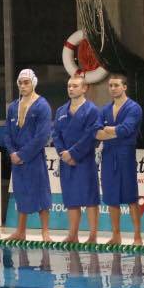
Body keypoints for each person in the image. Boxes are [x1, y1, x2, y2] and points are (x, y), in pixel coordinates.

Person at [3, 69, 53, 241]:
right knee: (20, 193)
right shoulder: (13, 107)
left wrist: (22, 154)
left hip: (33, 157)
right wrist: (12, 153)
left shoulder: (42, 105)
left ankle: (45, 231)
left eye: (26, 82)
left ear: (34, 83)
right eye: (20, 83)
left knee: (40, 193)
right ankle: (20, 231)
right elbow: (7, 134)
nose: (23, 86)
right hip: (17, 158)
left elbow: (42, 136)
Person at [96, 73, 143, 245]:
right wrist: (114, 131)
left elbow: (127, 129)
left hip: (126, 155)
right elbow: (97, 132)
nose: (113, 88)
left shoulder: (134, 108)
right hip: (108, 156)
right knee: (111, 197)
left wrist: (108, 130)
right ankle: (116, 235)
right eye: (110, 85)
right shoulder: (105, 109)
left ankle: (137, 236)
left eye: (116, 85)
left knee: (131, 197)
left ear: (124, 87)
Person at [52, 74, 100, 244]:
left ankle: (93, 236)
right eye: (69, 86)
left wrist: (73, 153)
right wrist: (62, 153)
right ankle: (73, 234)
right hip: (66, 161)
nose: (71, 89)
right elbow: (55, 134)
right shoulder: (61, 111)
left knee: (89, 198)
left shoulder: (92, 110)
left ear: (84, 88)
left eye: (75, 86)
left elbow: (90, 135)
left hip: (84, 160)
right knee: (71, 198)